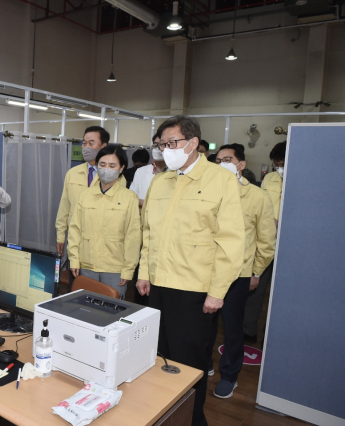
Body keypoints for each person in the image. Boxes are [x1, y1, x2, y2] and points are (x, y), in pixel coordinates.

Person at [136, 115, 245, 426]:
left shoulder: (220, 180)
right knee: (157, 358)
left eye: (172, 143)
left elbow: (231, 241)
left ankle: (193, 420)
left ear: (194, 143)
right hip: (157, 284)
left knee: (189, 363)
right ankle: (160, 415)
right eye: (161, 144)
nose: (165, 149)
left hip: (195, 289)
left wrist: (217, 291)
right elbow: (149, 234)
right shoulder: (161, 181)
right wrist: (144, 272)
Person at [208, 144, 276, 398]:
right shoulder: (209, 192)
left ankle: (229, 375)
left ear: (241, 165)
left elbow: (267, 241)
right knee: (205, 323)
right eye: (218, 160)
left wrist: (256, 272)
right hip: (206, 271)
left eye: (228, 159)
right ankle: (205, 364)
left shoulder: (257, 197)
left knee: (232, 327)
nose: (222, 163)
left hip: (238, 274)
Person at [68, 145, 141, 298]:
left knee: (111, 313)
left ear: (121, 169)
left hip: (114, 269)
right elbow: (75, 230)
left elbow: (133, 236)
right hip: (86, 265)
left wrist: (128, 269)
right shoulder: (86, 195)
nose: (106, 169)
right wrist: (74, 259)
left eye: (112, 165)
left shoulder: (129, 198)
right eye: (102, 164)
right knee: (85, 310)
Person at [55, 126, 125, 258]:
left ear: (104, 146)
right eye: (84, 143)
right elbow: (64, 207)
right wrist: (60, 235)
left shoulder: (115, 176)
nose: (86, 147)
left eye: (91, 143)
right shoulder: (72, 173)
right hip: (75, 240)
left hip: (102, 245)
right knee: (75, 277)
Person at [243, 141, 285, 342]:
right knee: (256, 288)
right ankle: (248, 330)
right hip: (266, 241)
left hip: (292, 245)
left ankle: (277, 336)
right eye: (277, 165)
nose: (280, 169)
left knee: (283, 295)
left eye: (283, 164)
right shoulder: (270, 179)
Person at [130, 134, 168, 210]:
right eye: (155, 145)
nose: (157, 148)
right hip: (142, 218)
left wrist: (144, 203)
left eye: (161, 145)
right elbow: (132, 199)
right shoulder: (141, 171)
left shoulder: (176, 171)